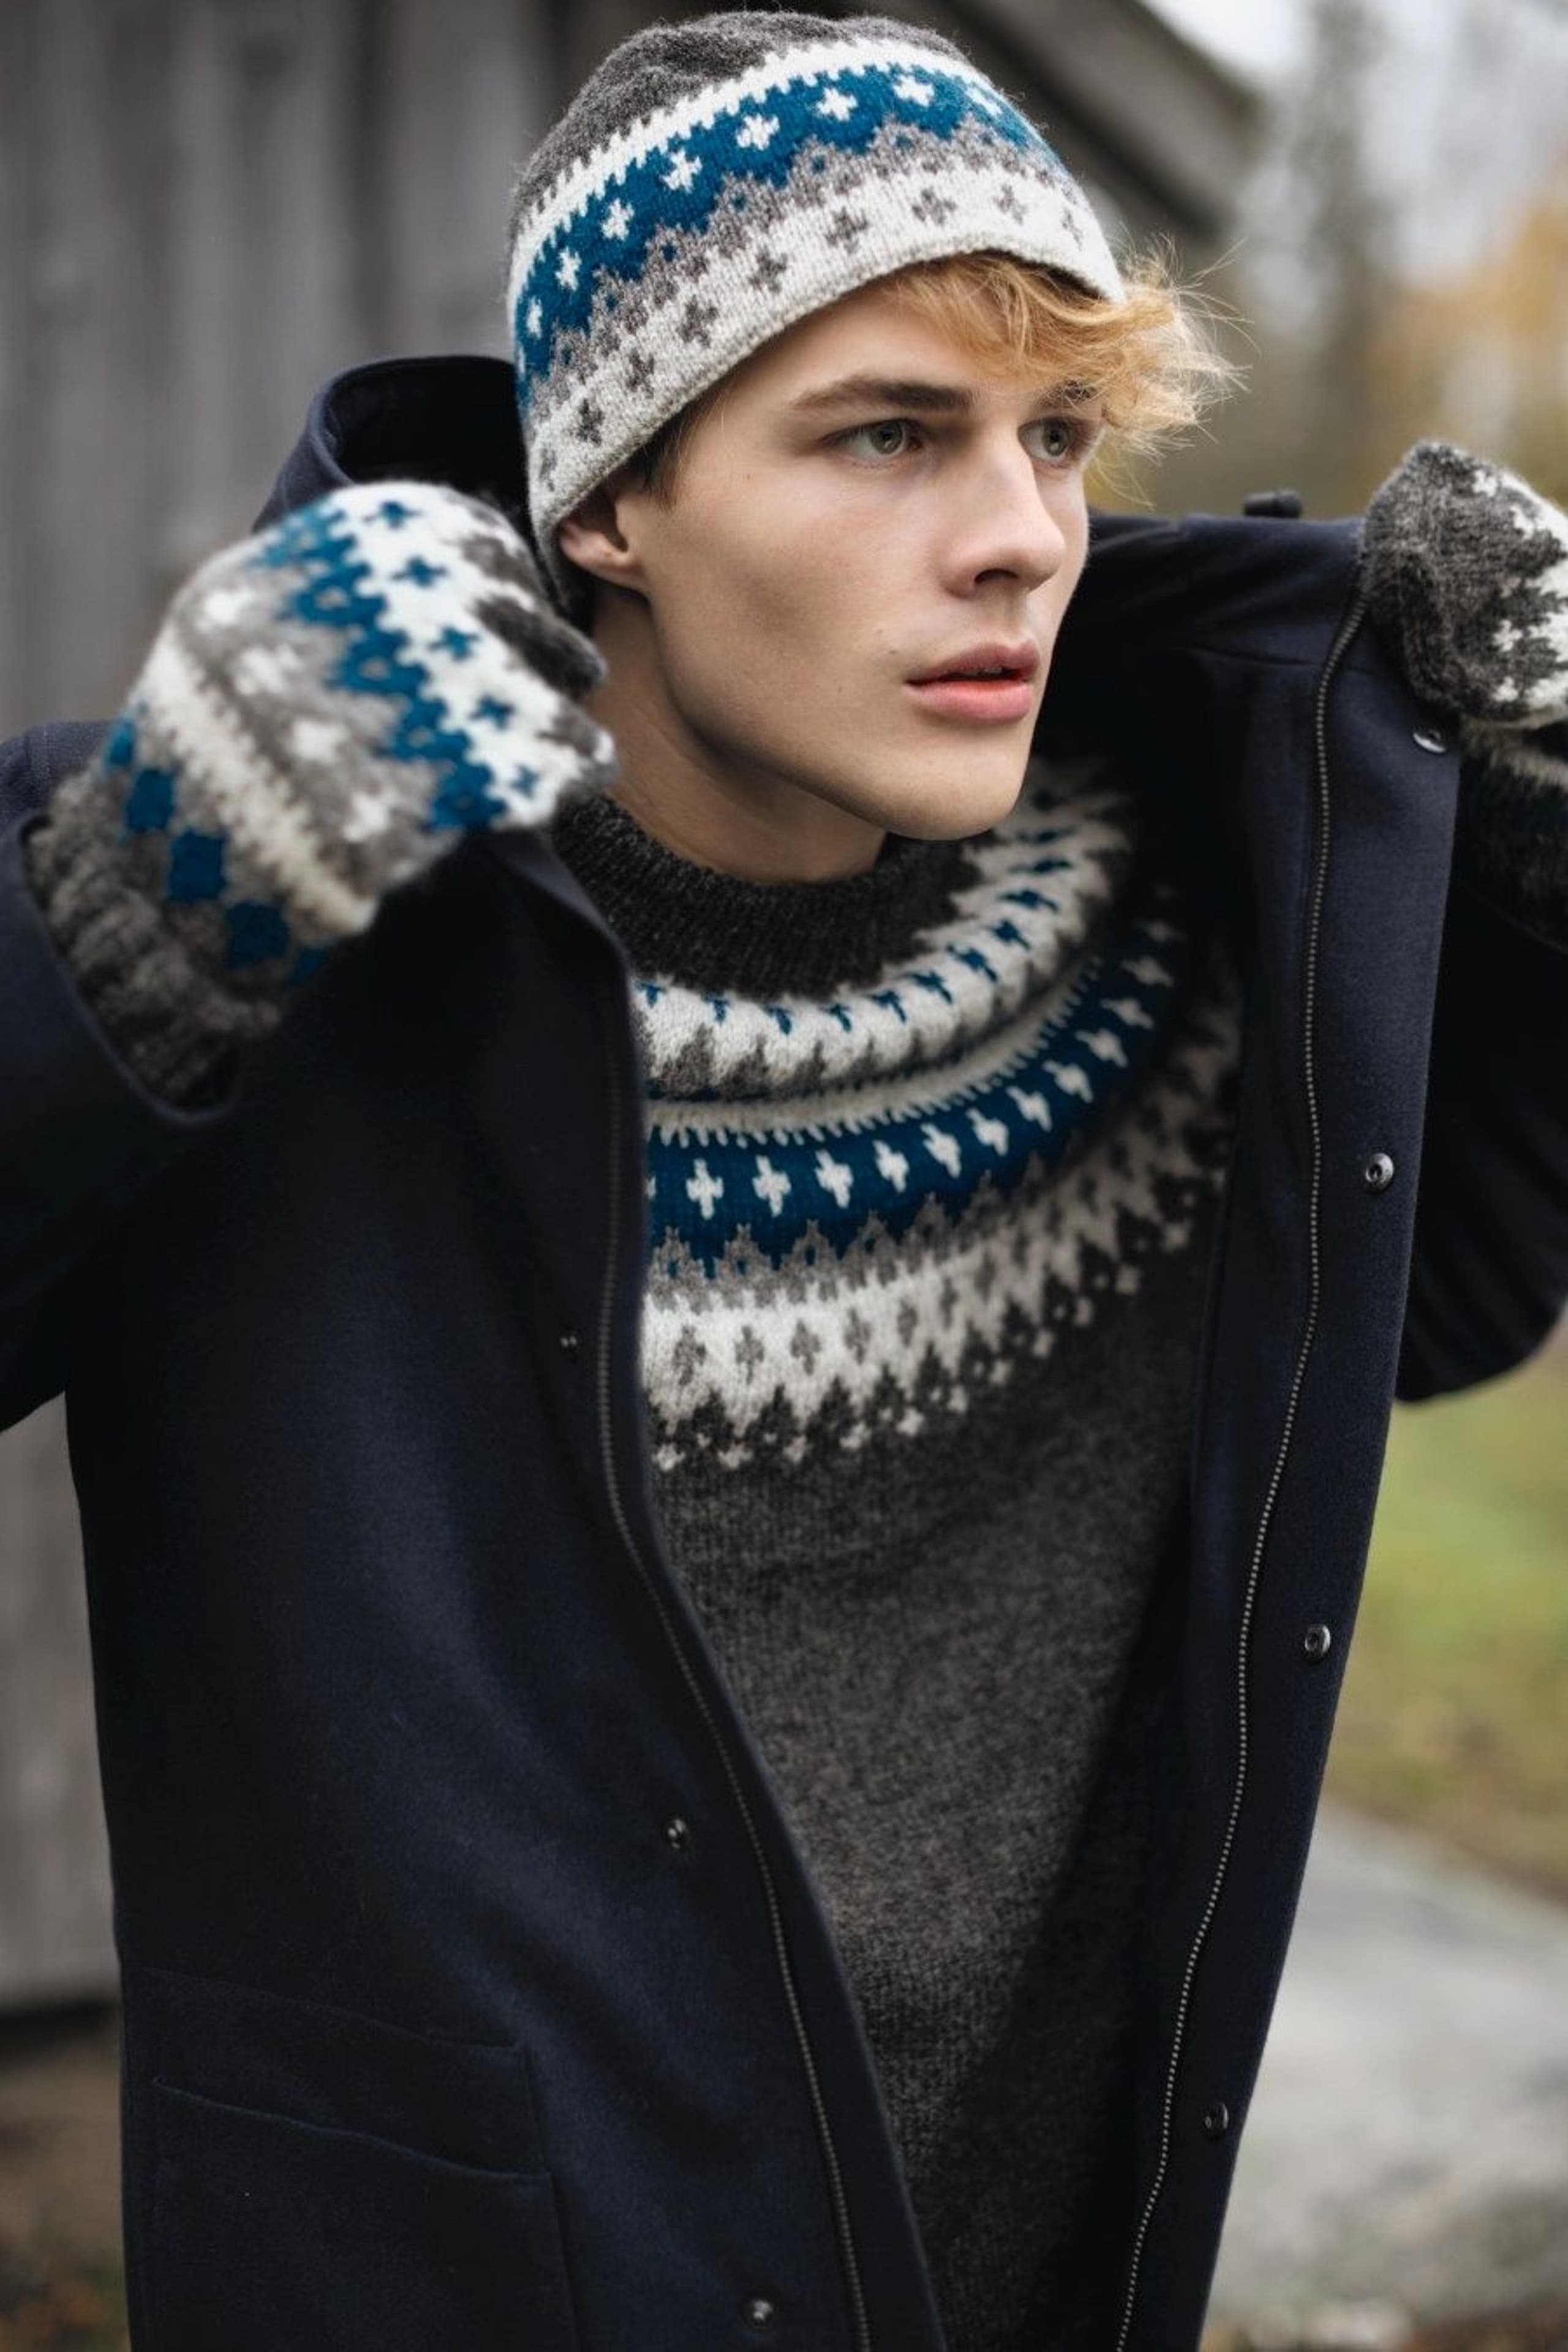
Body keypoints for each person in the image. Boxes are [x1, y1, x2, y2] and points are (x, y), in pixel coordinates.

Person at [2, 11, 1565, 2348]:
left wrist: (1528, 857)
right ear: (609, 501)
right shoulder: (258, 895)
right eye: (888, 436)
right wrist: (128, 926)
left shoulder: (1196, 901)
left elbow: (1441, 1307)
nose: (1023, 533)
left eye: (1057, 435)